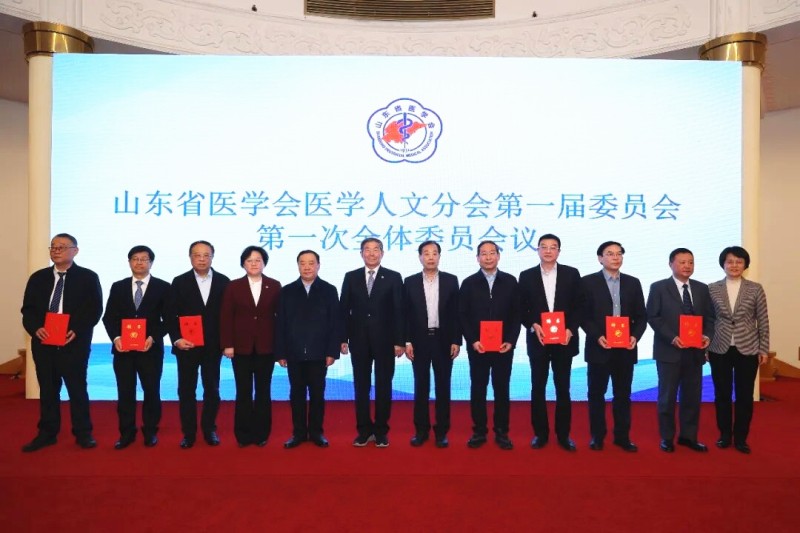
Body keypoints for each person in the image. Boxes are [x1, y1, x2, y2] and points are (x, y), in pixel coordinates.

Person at [20, 233, 103, 452]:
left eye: (62, 247)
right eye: (53, 247)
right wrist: (36, 328)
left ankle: (83, 433)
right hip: (44, 342)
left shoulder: (88, 277)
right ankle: (47, 433)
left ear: (75, 251)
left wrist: (77, 329)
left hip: (73, 343)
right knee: (48, 390)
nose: (56, 250)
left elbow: (94, 309)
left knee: (77, 389)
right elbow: (27, 310)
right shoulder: (38, 278)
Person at [102, 245, 172, 449]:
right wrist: (116, 338)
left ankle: (150, 431)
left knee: (151, 390)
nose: (139, 262)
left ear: (151, 262)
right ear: (129, 262)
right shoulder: (118, 286)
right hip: (123, 350)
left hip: (150, 350)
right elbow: (109, 317)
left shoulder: (163, 287)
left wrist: (153, 337)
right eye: (135, 259)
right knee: (125, 392)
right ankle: (126, 433)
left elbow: (168, 319)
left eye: (144, 259)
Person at [580, 241, 647, 452]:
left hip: (625, 349)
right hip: (599, 347)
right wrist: (597, 336)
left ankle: (622, 437)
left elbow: (641, 316)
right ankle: (597, 436)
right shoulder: (587, 282)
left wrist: (635, 337)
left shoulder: (633, 283)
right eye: (610, 254)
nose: (615, 257)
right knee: (596, 394)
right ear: (600, 258)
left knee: (623, 395)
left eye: (619, 253)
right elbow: (584, 316)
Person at [646, 248, 715, 453]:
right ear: (671, 264)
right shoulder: (659, 287)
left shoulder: (702, 288)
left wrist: (707, 336)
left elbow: (710, 318)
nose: (687, 266)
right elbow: (653, 317)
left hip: (695, 353)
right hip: (669, 351)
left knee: (692, 397)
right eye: (682, 262)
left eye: (691, 262)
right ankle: (667, 438)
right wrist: (672, 338)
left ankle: (688, 436)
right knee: (667, 397)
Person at [519, 234, 582, 451]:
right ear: (537, 250)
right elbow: (521, 308)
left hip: (564, 341)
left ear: (559, 251)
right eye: (544, 247)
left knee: (563, 388)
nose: (548, 251)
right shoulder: (526, 276)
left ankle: (564, 435)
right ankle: (541, 434)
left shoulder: (572, 274)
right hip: (539, 340)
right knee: (538, 387)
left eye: (553, 247)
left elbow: (579, 306)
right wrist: (532, 324)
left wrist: (570, 329)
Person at [340, 237, 405, 448]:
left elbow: (399, 311)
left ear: (382, 253)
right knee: (361, 386)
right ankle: (364, 430)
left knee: (384, 385)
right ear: (361, 254)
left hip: (386, 341)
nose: (371, 253)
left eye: (376, 249)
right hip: (358, 340)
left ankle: (381, 431)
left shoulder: (394, 277)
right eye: (367, 250)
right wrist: (342, 338)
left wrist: (400, 341)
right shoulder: (351, 277)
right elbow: (344, 310)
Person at [168, 240, 230, 448]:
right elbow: (171, 314)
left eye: (206, 255)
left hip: (213, 346)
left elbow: (228, 316)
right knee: (186, 390)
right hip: (187, 346)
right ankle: (189, 433)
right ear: (190, 257)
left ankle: (209, 429)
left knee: (212, 389)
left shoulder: (224, 281)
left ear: (212, 257)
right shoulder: (179, 282)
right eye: (197, 255)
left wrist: (227, 342)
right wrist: (177, 339)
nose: (202, 259)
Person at [276, 250, 341, 449]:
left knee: (317, 395)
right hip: (294, 353)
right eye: (302, 263)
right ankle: (298, 433)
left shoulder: (329, 290)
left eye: (311, 263)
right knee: (296, 395)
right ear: (298, 266)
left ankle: (316, 433)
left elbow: (335, 323)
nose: (307, 267)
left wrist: (332, 352)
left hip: (319, 353)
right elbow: (280, 323)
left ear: (318, 265)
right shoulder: (287, 291)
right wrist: (281, 352)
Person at [707, 246, 770, 454]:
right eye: (730, 261)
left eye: (739, 261)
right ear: (723, 264)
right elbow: (708, 320)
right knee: (722, 394)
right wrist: (705, 346)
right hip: (719, 347)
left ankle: (741, 438)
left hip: (748, 347)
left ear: (745, 265)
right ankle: (725, 435)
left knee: (744, 395)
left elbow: (763, 320)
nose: (734, 265)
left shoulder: (755, 288)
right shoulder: (712, 288)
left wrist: (763, 348)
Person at [459, 240, 520, 450]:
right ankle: (479, 431)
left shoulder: (510, 281)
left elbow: (516, 314)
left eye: (492, 253)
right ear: (477, 258)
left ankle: (502, 432)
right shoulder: (468, 283)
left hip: (503, 347)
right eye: (483, 253)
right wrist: (473, 340)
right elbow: (463, 315)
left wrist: (510, 340)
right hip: (478, 347)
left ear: (498, 256)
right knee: (478, 388)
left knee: (502, 389)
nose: (488, 257)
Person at [220, 246, 281, 447]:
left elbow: (280, 317)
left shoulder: (274, 285)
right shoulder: (233, 286)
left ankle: (262, 433)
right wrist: (227, 345)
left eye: (258, 260)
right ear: (243, 264)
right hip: (240, 348)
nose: (254, 264)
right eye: (249, 260)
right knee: (243, 391)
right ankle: (243, 434)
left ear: (264, 263)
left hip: (266, 348)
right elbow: (226, 317)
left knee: (263, 391)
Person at [403, 241, 461, 448]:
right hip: (419, 341)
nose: (430, 257)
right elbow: (405, 314)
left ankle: (441, 431)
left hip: (443, 340)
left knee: (443, 386)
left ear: (439, 256)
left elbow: (456, 313)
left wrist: (456, 340)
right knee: (421, 386)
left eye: (434, 253)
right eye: (426, 253)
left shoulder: (451, 280)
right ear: (420, 257)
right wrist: (407, 341)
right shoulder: (409, 282)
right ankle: (421, 430)